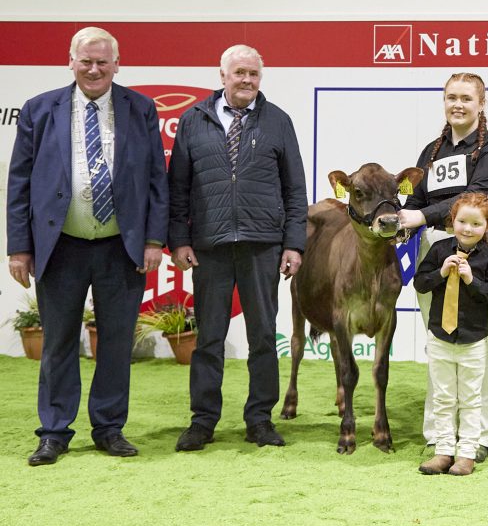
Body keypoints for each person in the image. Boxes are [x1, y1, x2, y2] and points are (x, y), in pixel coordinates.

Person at [7, 27, 168, 466]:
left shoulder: (141, 108)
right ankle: (54, 432)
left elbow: (157, 178)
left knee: (116, 343)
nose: (94, 69)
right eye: (86, 61)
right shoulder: (40, 109)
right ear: (71, 61)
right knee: (58, 343)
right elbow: (20, 182)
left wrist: (154, 239)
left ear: (117, 64)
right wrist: (19, 248)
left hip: (122, 247)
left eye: (102, 62)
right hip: (61, 247)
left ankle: (109, 428)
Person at [168, 44, 307, 451]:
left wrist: (293, 244)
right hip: (209, 246)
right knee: (208, 339)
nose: (247, 80)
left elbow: (295, 189)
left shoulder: (278, 120)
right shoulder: (192, 120)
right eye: (239, 72)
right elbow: (178, 188)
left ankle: (260, 419)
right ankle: (202, 421)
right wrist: (179, 239)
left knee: (262, 337)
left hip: (262, 246)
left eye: (253, 74)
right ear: (222, 76)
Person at [398, 72, 488, 462]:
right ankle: (440, 438)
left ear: (481, 104)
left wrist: (421, 216)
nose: (457, 105)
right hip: (436, 250)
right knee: (439, 346)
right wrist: (403, 221)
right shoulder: (431, 152)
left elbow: (476, 199)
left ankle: (479, 438)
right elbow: (414, 201)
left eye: (466, 98)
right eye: (451, 97)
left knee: (484, 347)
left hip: (483, 250)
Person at [414, 193, 488, 476]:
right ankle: (443, 450)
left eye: (476, 224)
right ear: (452, 221)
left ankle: (466, 453)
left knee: (470, 398)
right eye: (462, 221)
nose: (467, 229)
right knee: (442, 397)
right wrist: (440, 273)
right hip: (440, 336)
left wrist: (471, 280)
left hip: (473, 339)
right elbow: (420, 283)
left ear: (487, 226)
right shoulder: (439, 249)